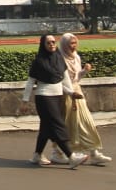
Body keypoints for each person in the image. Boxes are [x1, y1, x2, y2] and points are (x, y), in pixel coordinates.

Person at [21, 34, 87, 168]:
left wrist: (71, 92)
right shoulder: (39, 61)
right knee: (57, 125)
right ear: (43, 45)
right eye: (48, 43)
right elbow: (30, 83)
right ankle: (71, 156)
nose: (51, 45)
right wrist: (25, 101)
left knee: (46, 128)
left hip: (57, 97)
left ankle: (37, 155)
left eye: (53, 42)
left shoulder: (58, 58)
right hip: (44, 98)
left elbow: (64, 80)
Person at [48, 33, 112, 166]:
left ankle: (94, 153)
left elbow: (76, 78)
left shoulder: (76, 57)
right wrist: (70, 93)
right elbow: (60, 81)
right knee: (66, 125)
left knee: (86, 122)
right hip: (65, 95)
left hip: (77, 92)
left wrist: (84, 71)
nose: (73, 46)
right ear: (65, 45)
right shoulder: (59, 59)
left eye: (75, 43)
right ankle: (58, 153)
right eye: (71, 44)